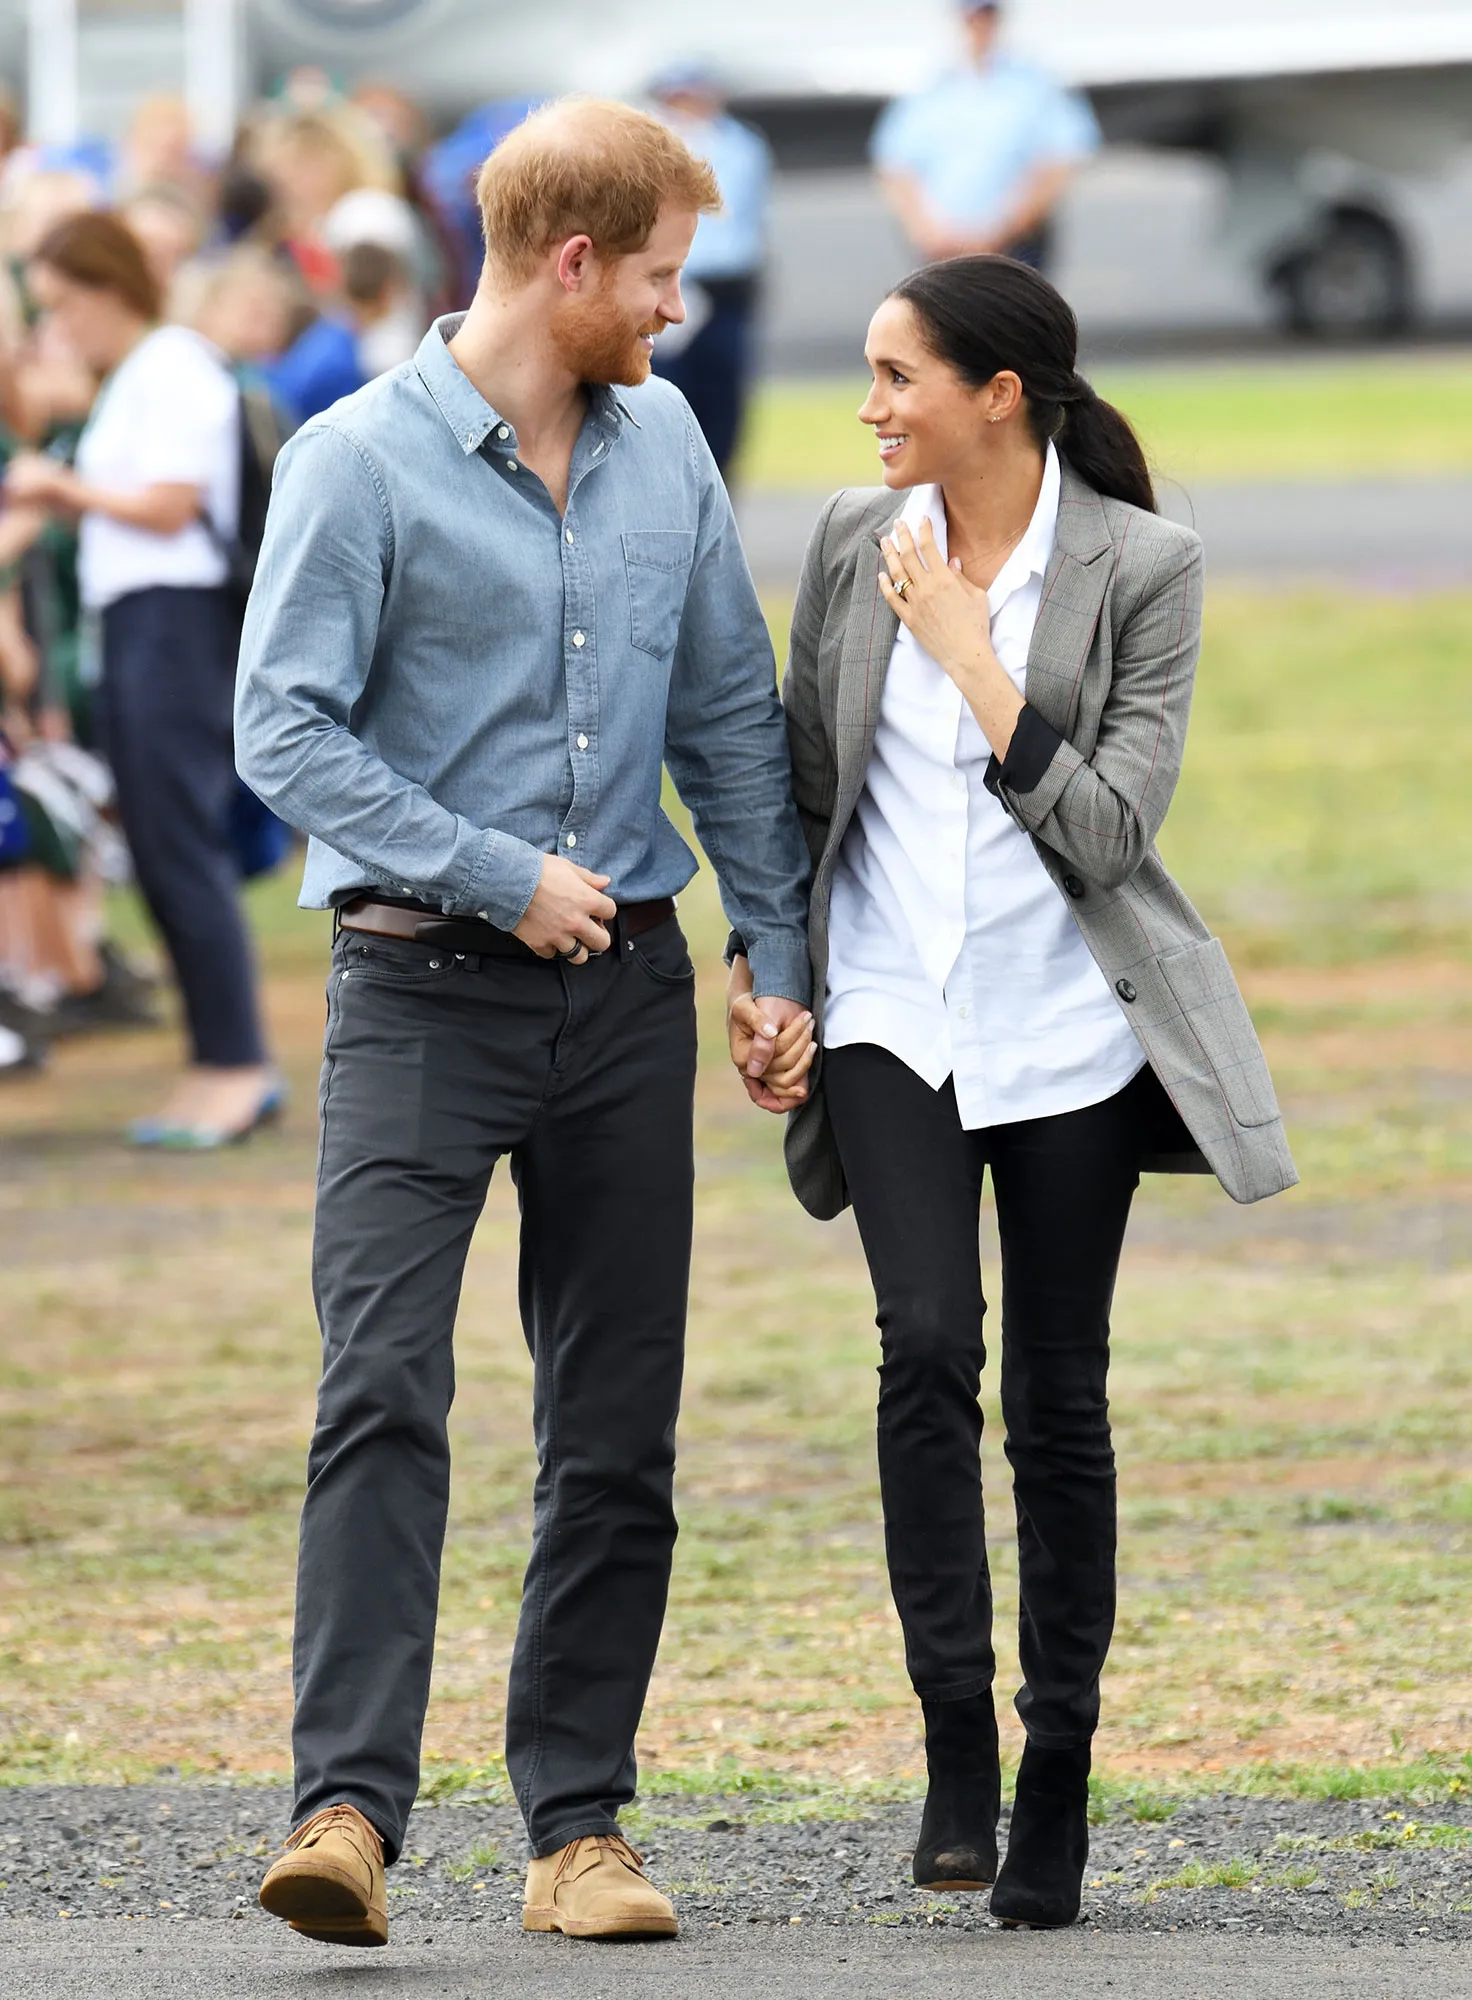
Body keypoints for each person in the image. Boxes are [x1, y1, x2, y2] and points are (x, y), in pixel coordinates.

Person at [234, 96, 813, 1950]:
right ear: (571, 264)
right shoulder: (353, 461)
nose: (675, 310)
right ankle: (345, 1815)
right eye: (657, 277)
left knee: (616, 1425)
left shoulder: (669, 445)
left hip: (628, 1000)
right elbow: (282, 729)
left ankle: (580, 1834)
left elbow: (726, 713)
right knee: (381, 1394)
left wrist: (773, 949)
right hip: (419, 992)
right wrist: (495, 871)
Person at [728, 255, 1296, 1929]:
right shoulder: (854, 541)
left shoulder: (1143, 568)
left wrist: (975, 660)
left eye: (896, 375)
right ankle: (955, 1748)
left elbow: (1108, 833)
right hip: (892, 1019)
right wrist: (766, 979)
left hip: (1068, 1036)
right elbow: (801, 793)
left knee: (1057, 1401)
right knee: (922, 1350)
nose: (867, 405)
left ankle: (1058, 1768)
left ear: (997, 395)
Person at [3, 212, 280, 1146]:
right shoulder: (139, 374)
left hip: (175, 624)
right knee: (160, 854)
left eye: (63, 304)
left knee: (180, 848)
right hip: (138, 622)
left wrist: (60, 490)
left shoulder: (170, 366)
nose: (57, 326)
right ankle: (217, 1061)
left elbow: (169, 505)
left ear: (107, 288)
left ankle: (237, 1065)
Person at [872, 2, 1100, 272]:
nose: (979, 26)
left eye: (986, 16)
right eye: (973, 18)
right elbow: (895, 166)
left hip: (1014, 247)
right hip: (940, 250)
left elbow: (1059, 162)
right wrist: (927, 231)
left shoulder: (1035, 84)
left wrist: (1003, 231)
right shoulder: (929, 87)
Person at [648, 63, 772, 479]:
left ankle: (718, 487)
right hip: (673, 284)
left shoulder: (742, 145)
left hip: (726, 288)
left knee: (724, 402)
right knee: (666, 393)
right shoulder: (648, 146)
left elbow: (748, 221)